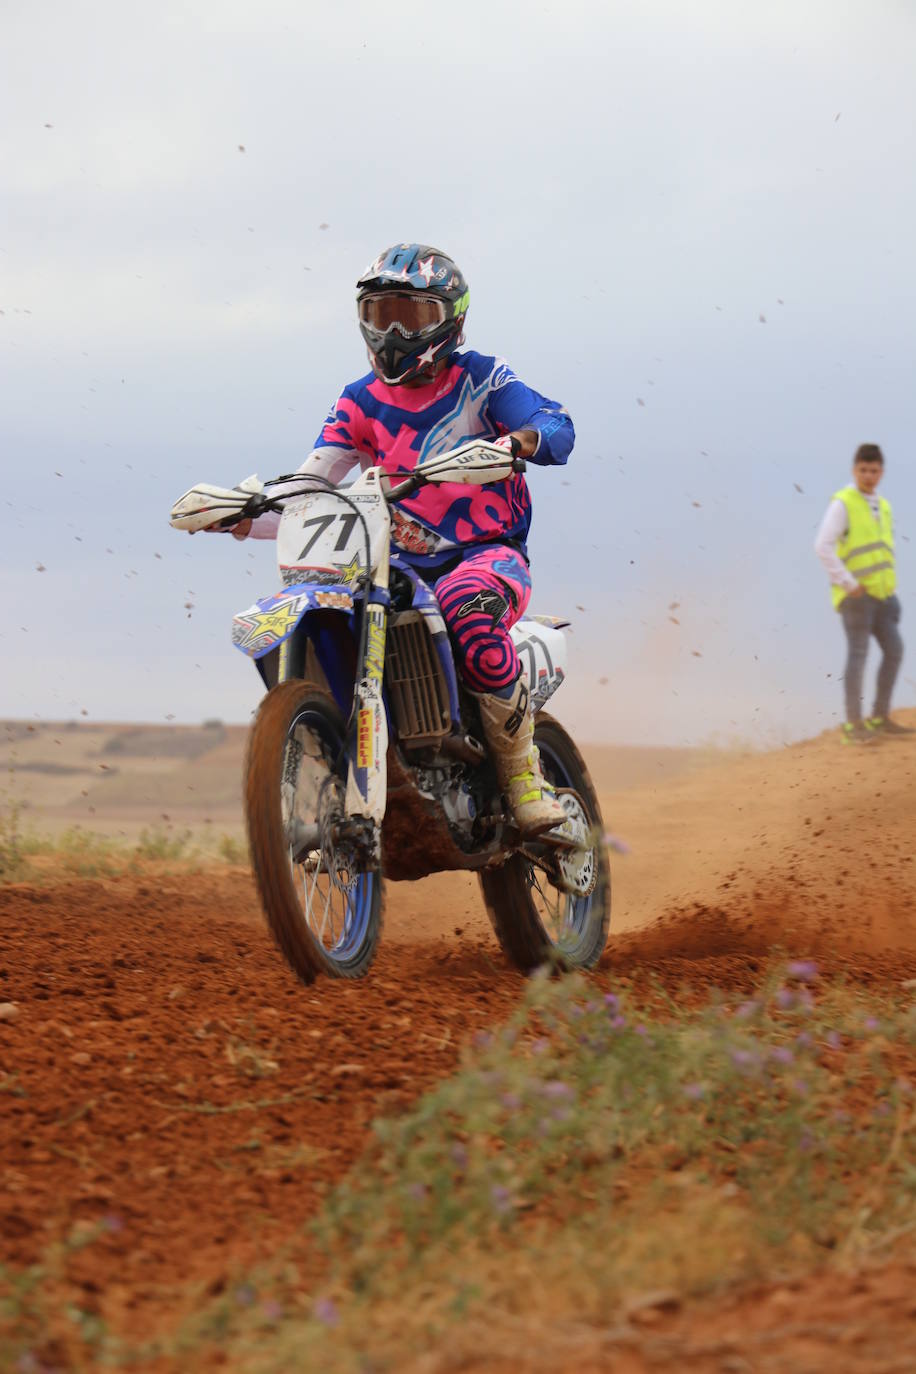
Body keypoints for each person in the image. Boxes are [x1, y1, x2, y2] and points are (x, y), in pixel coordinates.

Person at [227, 242, 574, 833]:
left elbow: (556, 425)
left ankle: (522, 778)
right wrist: (244, 511)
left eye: (410, 316)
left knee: (467, 610)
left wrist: (518, 443)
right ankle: (352, 752)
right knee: (342, 606)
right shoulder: (358, 400)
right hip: (398, 563)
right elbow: (315, 481)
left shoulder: (482, 379)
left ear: (451, 320)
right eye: (379, 313)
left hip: (487, 555)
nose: (392, 331)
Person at [814, 443, 912, 743]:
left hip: (882, 596)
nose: (868, 476)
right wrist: (847, 582)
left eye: (874, 471)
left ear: (881, 472)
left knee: (894, 651)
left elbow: (883, 551)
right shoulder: (843, 503)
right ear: (854, 470)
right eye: (863, 470)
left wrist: (890, 590)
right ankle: (853, 726)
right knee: (858, 655)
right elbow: (822, 546)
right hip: (856, 597)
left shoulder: (883, 505)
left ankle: (880, 718)